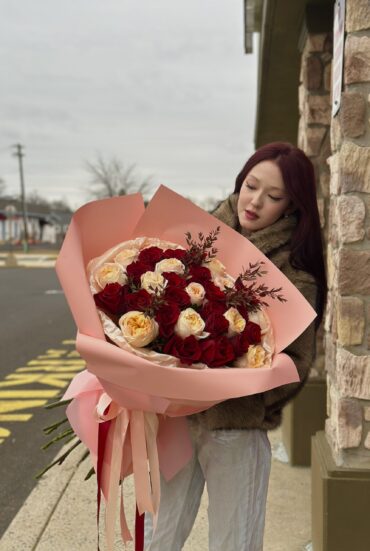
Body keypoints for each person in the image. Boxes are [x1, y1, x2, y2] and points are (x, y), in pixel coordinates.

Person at [144, 142, 327, 551]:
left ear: (291, 206)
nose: (256, 201)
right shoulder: (195, 240)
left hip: (235, 427)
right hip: (175, 418)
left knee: (234, 542)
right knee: (158, 534)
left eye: (274, 196)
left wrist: (242, 394)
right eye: (251, 185)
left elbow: (295, 363)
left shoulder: (293, 275)